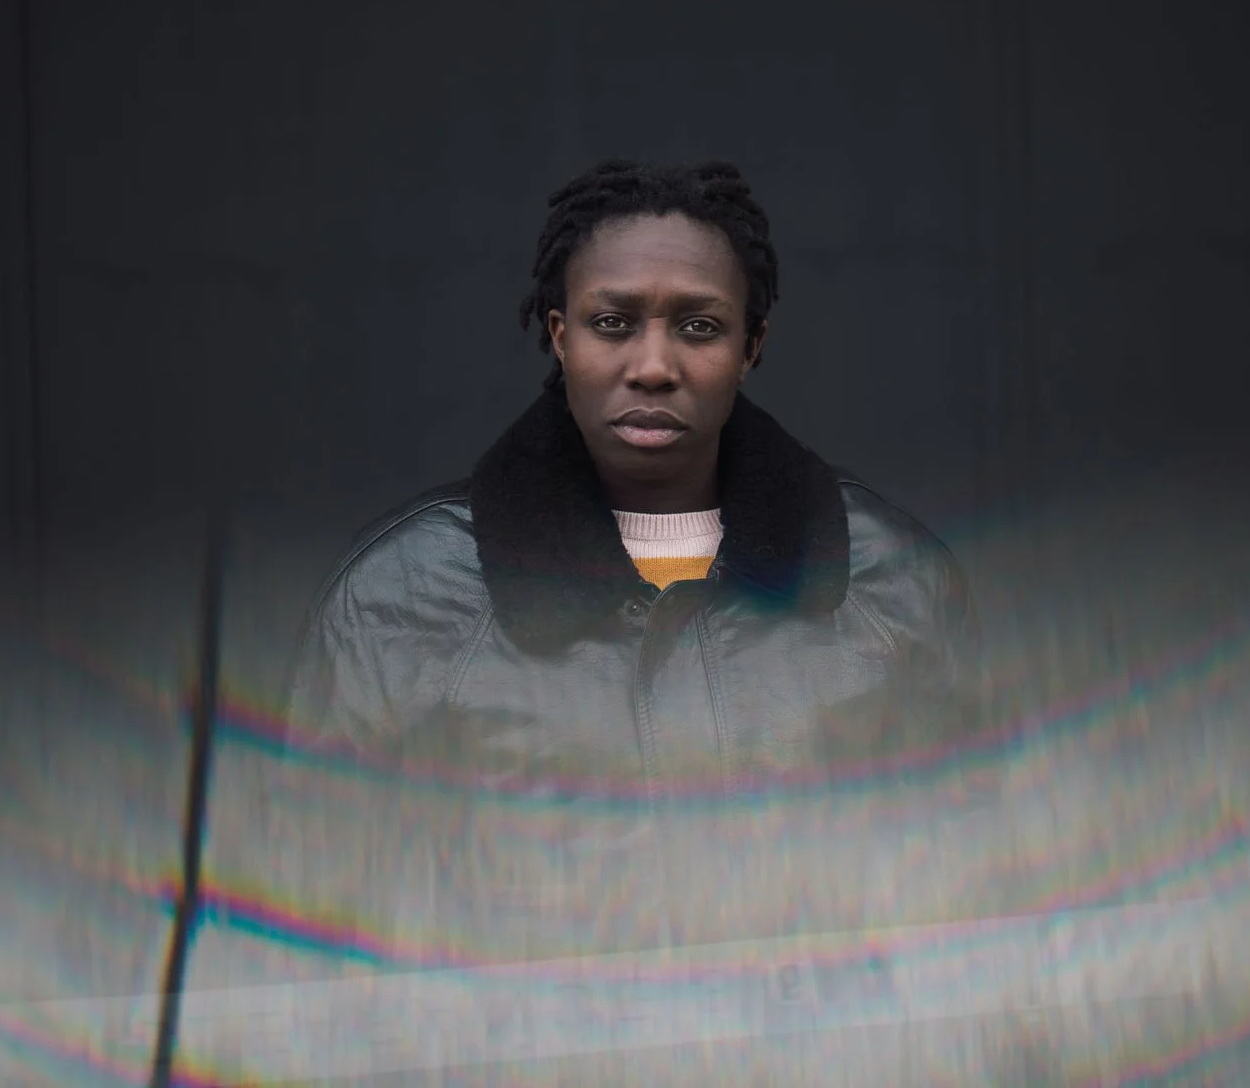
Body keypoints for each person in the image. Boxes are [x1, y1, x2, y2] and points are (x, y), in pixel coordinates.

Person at [279, 158, 997, 956]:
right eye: (613, 322)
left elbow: (965, 898)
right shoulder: (403, 594)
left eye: (699, 325)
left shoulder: (891, 584)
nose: (653, 365)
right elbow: (313, 915)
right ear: (559, 334)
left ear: (752, 344)